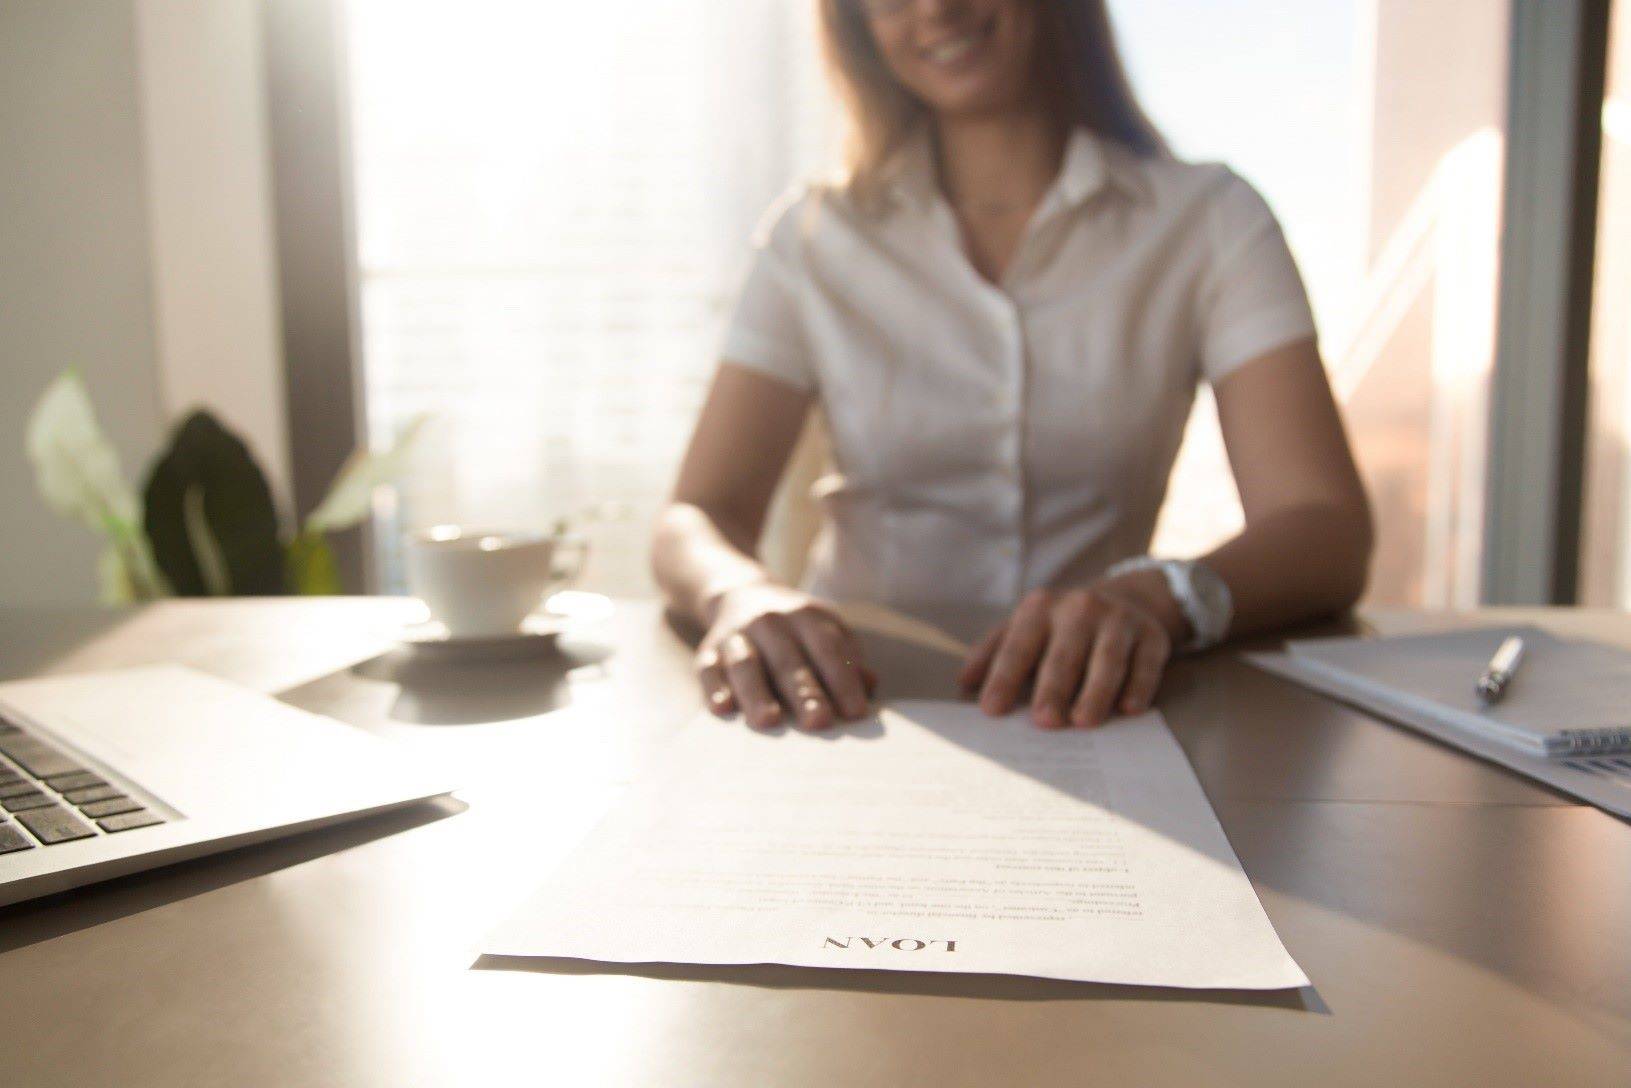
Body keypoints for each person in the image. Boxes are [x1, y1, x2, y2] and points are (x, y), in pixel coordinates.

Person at [652, 0, 1373, 733]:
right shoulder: (811, 237)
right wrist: (740, 594)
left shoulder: (1211, 221)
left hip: (1093, 709)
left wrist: (1156, 596)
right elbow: (696, 515)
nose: (934, 9)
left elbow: (1323, 528)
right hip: (848, 703)